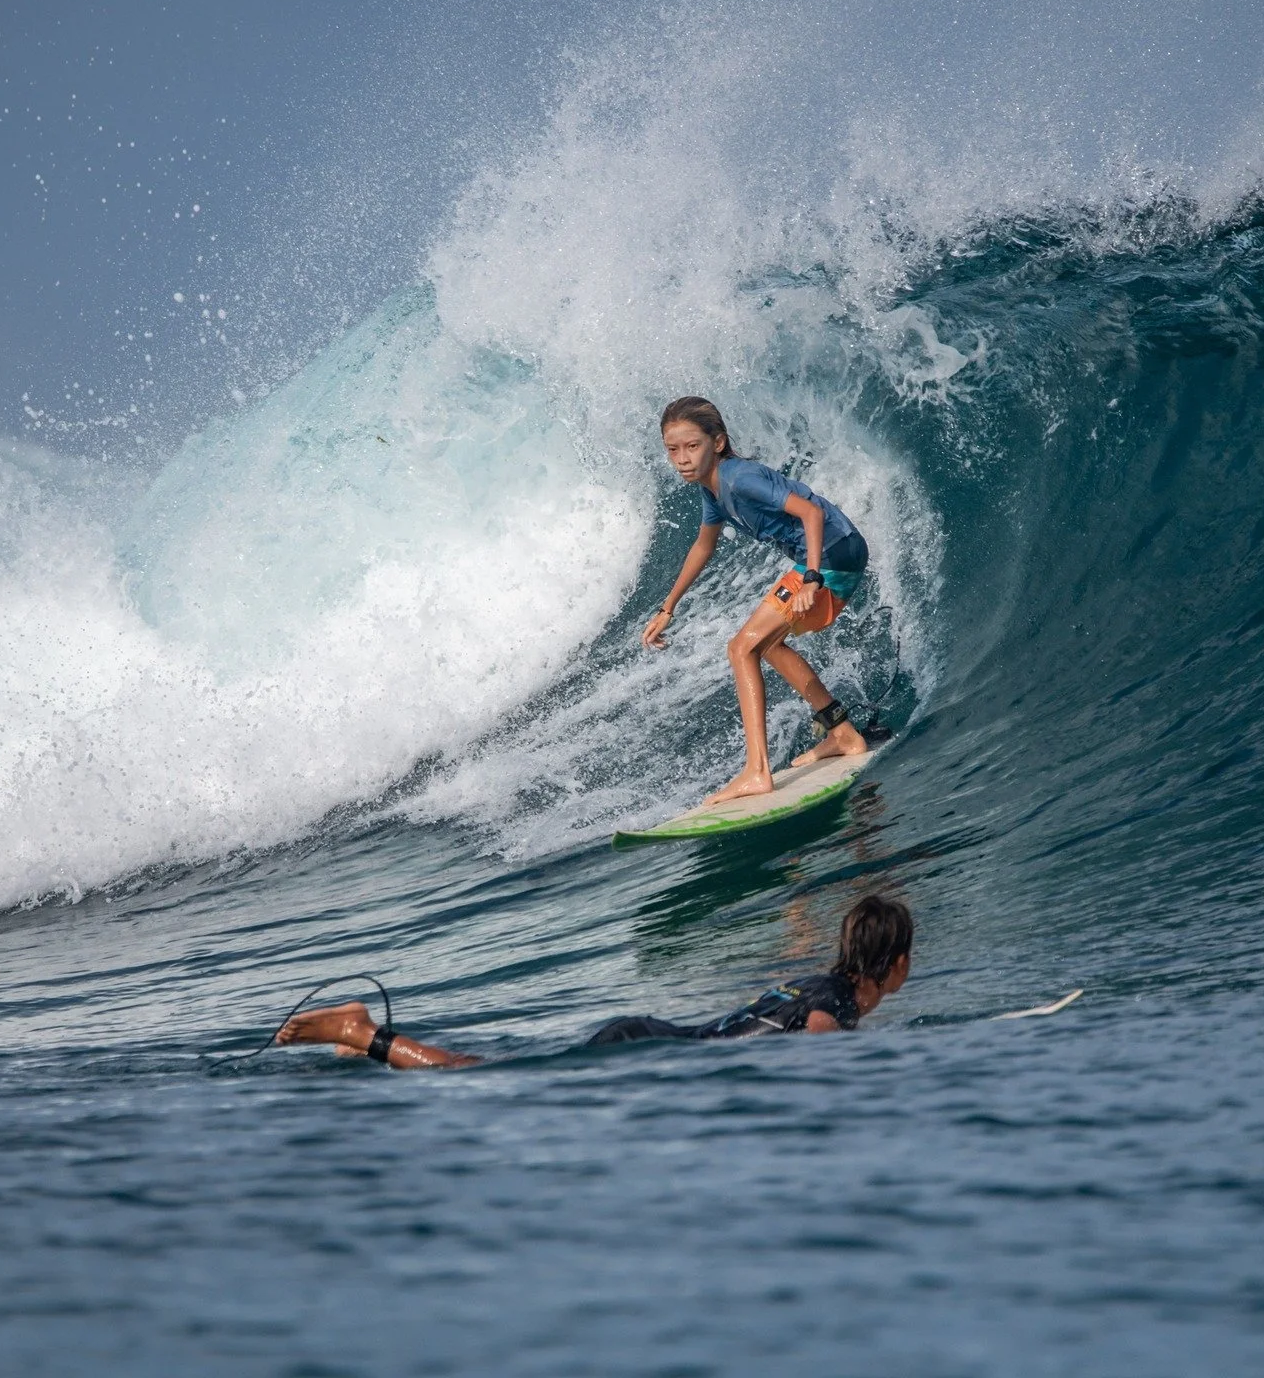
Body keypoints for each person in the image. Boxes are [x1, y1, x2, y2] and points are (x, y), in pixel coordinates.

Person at [272, 895, 915, 1069]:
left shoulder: (817, 982)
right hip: (644, 1049)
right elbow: (824, 1066)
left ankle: (359, 1039)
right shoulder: (832, 1004)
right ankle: (364, 1032)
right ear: (895, 963)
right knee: (471, 1074)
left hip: (650, 1036)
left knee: (491, 1065)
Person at [642, 396, 871, 804]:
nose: (681, 459)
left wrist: (811, 581)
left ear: (717, 442)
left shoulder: (739, 479)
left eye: (692, 446)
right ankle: (841, 731)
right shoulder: (712, 489)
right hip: (831, 554)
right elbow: (703, 546)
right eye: (672, 449)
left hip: (834, 551)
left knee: (741, 647)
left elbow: (811, 514)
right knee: (765, 646)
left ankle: (757, 772)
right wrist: (667, 608)